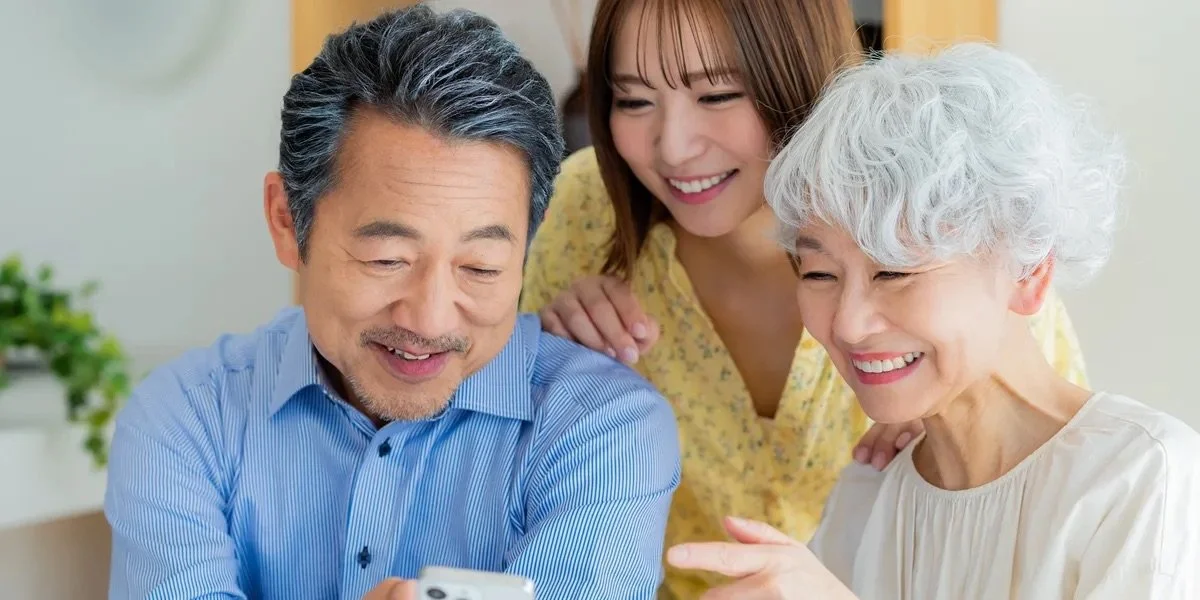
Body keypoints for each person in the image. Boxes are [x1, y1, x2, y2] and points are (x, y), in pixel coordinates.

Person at [103, 6, 681, 600]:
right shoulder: (186, 419)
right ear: (286, 221)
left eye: (480, 268)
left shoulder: (603, 428)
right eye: (387, 260)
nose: (429, 320)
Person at [518, 0, 1089, 596]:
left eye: (716, 96)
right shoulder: (583, 215)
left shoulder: (942, 230)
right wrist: (550, 355)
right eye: (634, 100)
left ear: (797, 77)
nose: (674, 147)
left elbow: (1050, 502)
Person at [666, 42, 1200, 599]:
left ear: (1027, 273)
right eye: (820, 273)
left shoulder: (1140, 476)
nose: (847, 324)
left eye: (894, 271)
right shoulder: (867, 494)